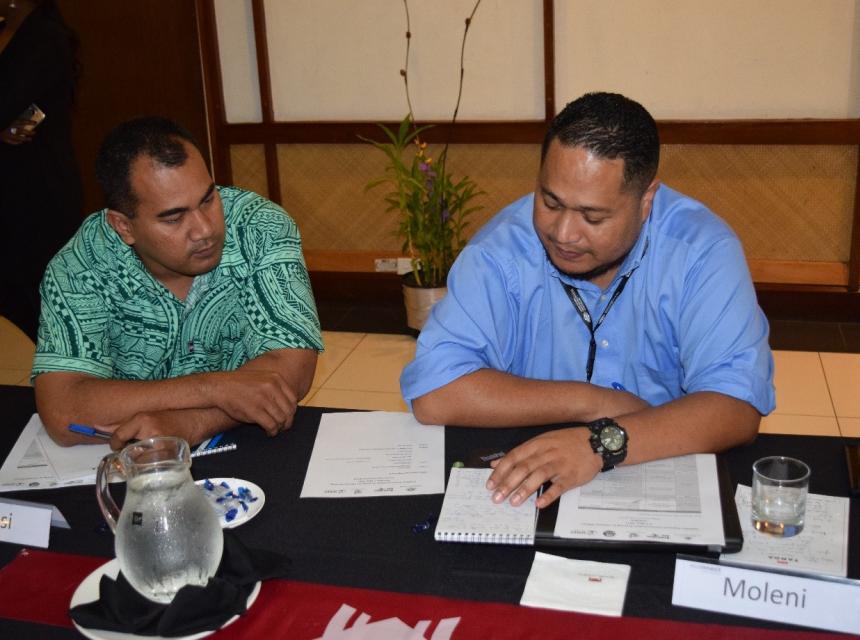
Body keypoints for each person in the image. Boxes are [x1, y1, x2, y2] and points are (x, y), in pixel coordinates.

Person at [401, 92, 775, 508]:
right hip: (535, 473)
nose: (563, 234)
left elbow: (738, 408)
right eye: (550, 202)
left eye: (592, 217)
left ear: (646, 200)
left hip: (657, 465)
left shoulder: (700, 251)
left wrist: (601, 444)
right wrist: (592, 402)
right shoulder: (500, 251)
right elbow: (435, 392)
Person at [33, 116, 323, 448]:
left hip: (252, 443)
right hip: (131, 463)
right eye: (174, 217)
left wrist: (194, 422)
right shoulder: (80, 266)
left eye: (208, 199)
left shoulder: (259, 228)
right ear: (123, 227)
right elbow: (62, 410)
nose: (204, 230)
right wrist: (213, 387)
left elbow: (292, 369)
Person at [0, 0, 82, 341]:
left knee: (42, 295)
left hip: (39, 192)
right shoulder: (7, 31)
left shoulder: (47, 37)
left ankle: (67, 380)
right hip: (9, 188)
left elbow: (6, 102)